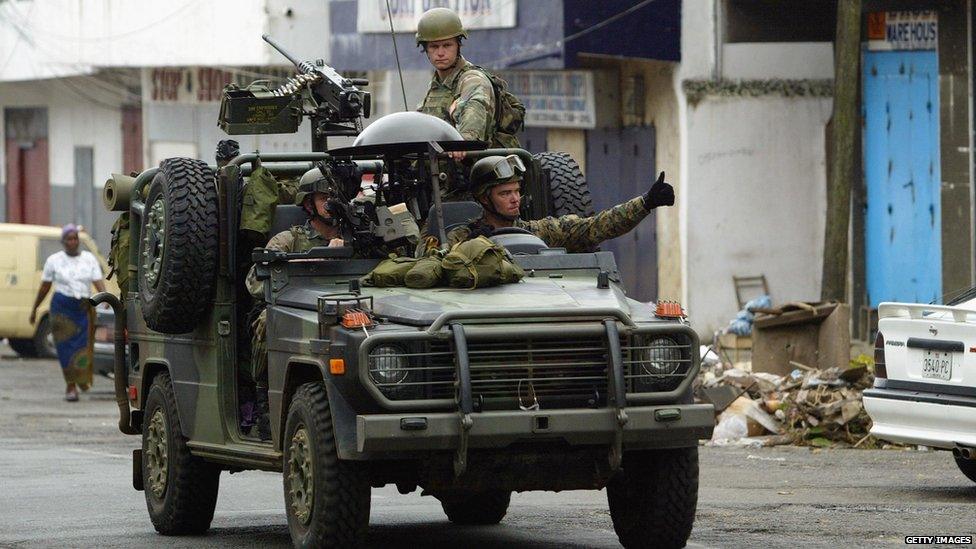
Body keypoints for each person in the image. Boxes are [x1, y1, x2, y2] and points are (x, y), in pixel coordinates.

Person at [439, 155, 675, 252]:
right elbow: (432, 264)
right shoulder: (461, 239)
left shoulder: (538, 232)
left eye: (517, 191)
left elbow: (595, 227)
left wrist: (645, 203)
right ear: (483, 198)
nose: (514, 199)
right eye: (504, 193)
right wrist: (469, 249)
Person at [416, 7, 521, 154]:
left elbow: (475, 106)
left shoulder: (473, 80)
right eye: (434, 47)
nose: (440, 53)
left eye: (447, 45)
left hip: (477, 167)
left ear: (458, 45)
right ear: (425, 49)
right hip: (441, 166)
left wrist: (464, 140)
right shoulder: (436, 86)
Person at [30, 224, 107, 402]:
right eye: (68, 239)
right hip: (61, 309)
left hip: (82, 308)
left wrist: (105, 300)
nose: (72, 242)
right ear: (63, 242)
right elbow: (44, 288)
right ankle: (71, 386)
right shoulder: (54, 260)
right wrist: (34, 309)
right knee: (65, 348)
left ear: (78, 241)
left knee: (82, 347)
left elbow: (98, 282)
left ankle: (80, 379)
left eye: (75, 239)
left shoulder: (89, 259)